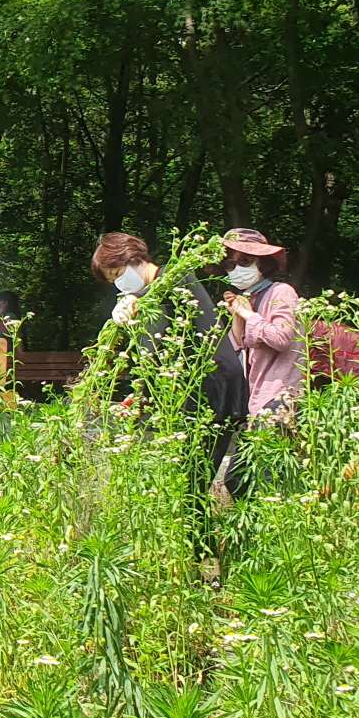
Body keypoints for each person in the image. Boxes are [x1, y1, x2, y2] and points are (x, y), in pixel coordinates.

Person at [92, 233, 252, 555]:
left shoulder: (175, 280)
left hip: (214, 396)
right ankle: (212, 560)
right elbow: (160, 360)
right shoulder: (152, 294)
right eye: (112, 282)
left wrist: (133, 309)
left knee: (190, 490)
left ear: (134, 260)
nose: (118, 286)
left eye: (118, 276)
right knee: (190, 487)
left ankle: (209, 567)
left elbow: (161, 342)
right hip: (193, 400)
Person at [219, 228, 303, 419]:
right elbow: (235, 354)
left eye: (245, 261)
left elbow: (281, 338)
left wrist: (248, 314)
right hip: (255, 400)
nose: (237, 269)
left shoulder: (281, 292)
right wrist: (237, 317)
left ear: (263, 263)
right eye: (230, 265)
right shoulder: (248, 299)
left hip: (282, 396)